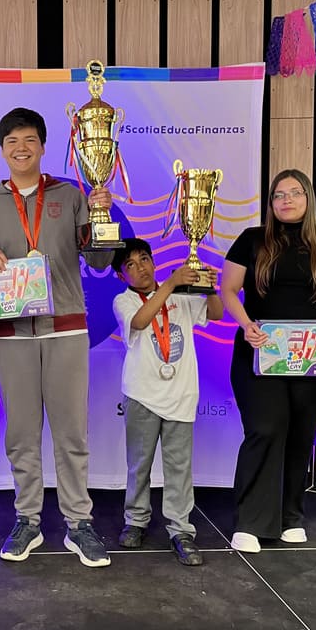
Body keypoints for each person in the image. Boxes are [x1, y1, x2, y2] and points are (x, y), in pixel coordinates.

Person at [0, 107, 112, 568]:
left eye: (29, 139)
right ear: (2, 149)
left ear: (43, 146)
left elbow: (101, 261)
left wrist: (101, 215)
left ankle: (79, 522)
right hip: (11, 335)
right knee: (21, 434)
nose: (21, 148)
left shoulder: (71, 197)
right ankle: (27, 519)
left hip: (66, 328)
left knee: (71, 432)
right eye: (12, 141)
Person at [220, 169, 316, 553]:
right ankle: (250, 522)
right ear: (271, 202)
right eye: (279, 194)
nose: (286, 200)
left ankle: (291, 516)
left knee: (300, 433)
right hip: (260, 352)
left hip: (311, 355)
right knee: (265, 428)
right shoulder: (251, 240)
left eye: (295, 193)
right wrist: (246, 325)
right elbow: (228, 290)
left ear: (308, 199)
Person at [112, 238, 223, 566]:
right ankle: (136, 520)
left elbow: (216, 313)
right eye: (130, 265)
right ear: (121, 275)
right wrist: (172, 283)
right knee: (139, 464)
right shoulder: (123, 300)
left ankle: (180, 529)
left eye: (144, 259)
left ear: (153, 261)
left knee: (179, 467)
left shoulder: (181, 294)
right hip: (141, 395)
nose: (140, 268)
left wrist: (209, 287)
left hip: (181, 393)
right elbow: (140, 321)